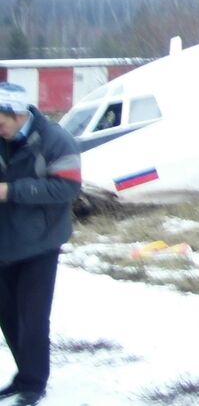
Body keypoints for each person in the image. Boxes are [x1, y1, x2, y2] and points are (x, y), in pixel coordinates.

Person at [0, 83, 82, 406]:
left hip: (41, 242)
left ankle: (34, 383)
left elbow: (67, 188)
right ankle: (24, 375)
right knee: (8, 315)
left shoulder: (56, 140)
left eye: (2, 120)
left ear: (20, 114)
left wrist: (11, 192)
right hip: (4, 241)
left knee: (33, 316)